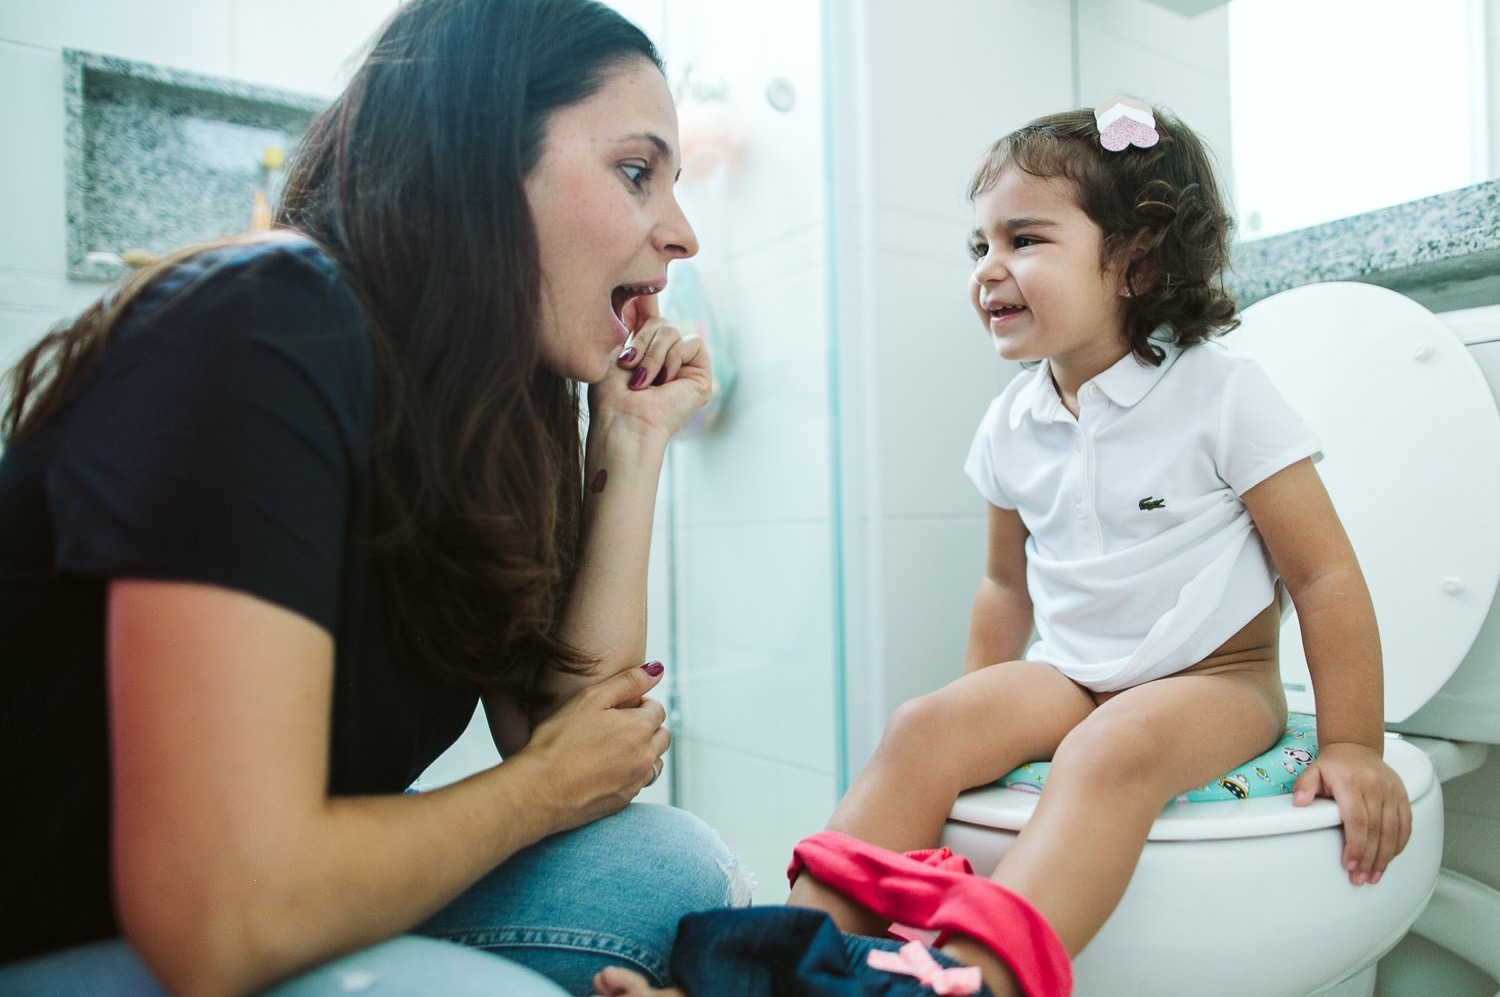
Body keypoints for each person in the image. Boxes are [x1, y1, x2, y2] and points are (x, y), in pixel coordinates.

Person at [0, 0, 749, 993]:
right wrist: (528, 793)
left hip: (227, 911)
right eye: (635, 171)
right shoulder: (263, 327)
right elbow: (221, 917)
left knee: (665, 867)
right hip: (63, 932)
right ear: (480, 158)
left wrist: (631, 436)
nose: (682, 232)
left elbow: (577, 744)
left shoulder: (491, 407)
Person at [784, 99, 1414, 996]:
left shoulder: (1221, 396)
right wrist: (973, 720)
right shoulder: (1012, 420)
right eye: (980, 246)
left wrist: (1355, 744)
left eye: (1025, 240)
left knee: (1108, 751)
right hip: (1071, 673)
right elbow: (1006, 590)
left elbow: (1323, 574)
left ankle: (968, 976)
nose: (988, 270)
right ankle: (774, 954)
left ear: (1135, 262)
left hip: (1216, 679)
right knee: (921, 726)